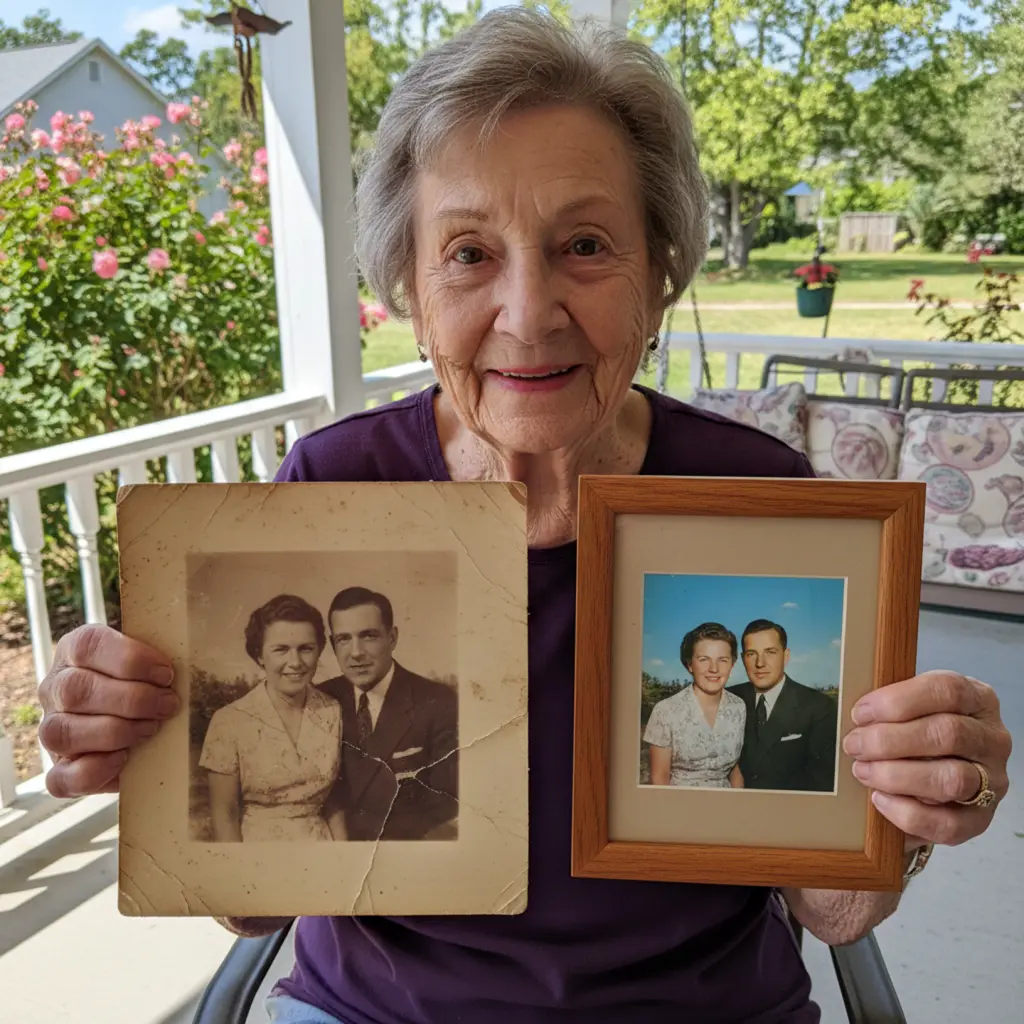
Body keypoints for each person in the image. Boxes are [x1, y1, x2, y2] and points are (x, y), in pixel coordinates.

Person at [35, 10, 1012, 1024]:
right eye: (467, 253)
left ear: (659, 272)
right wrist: (155, 750)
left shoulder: (755, 501)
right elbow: (255, 905)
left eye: (584, 244)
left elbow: (838, 911)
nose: (529, 310)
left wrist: (911, 801)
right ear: (408, 287)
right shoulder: (334, 485)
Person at [199, 594, 347, 842]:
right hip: (259, 853)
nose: (295, 662)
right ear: (259, 656)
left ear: (319, 651)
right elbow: (225, 813)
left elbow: (333, 800)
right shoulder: (228, 721)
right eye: (280, 650)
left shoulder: (332, 710)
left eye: (306, 649)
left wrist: (346, 858)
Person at [316, 586, 458, 841]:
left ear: (392, 638)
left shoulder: (438, 701)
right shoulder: (319, 700)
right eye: (344, 639)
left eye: (368, 636)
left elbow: (447, 800)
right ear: (332, 644)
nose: (356, 652)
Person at [729, 619, 839, 793]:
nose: (760, 663)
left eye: (770, 652)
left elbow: (822, 784)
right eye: (751, 654)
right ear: (743, 659)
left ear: (786, 656)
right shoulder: (728, 698)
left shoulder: (819, 707)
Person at [644, 622, 746, 788]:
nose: (714, 669)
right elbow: (659, 779)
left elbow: (734, 770)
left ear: (732, 665)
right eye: (704, 659)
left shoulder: (739, 706)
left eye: (723, 660)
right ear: (690, 664)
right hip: (680, 807)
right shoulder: (665, 710)